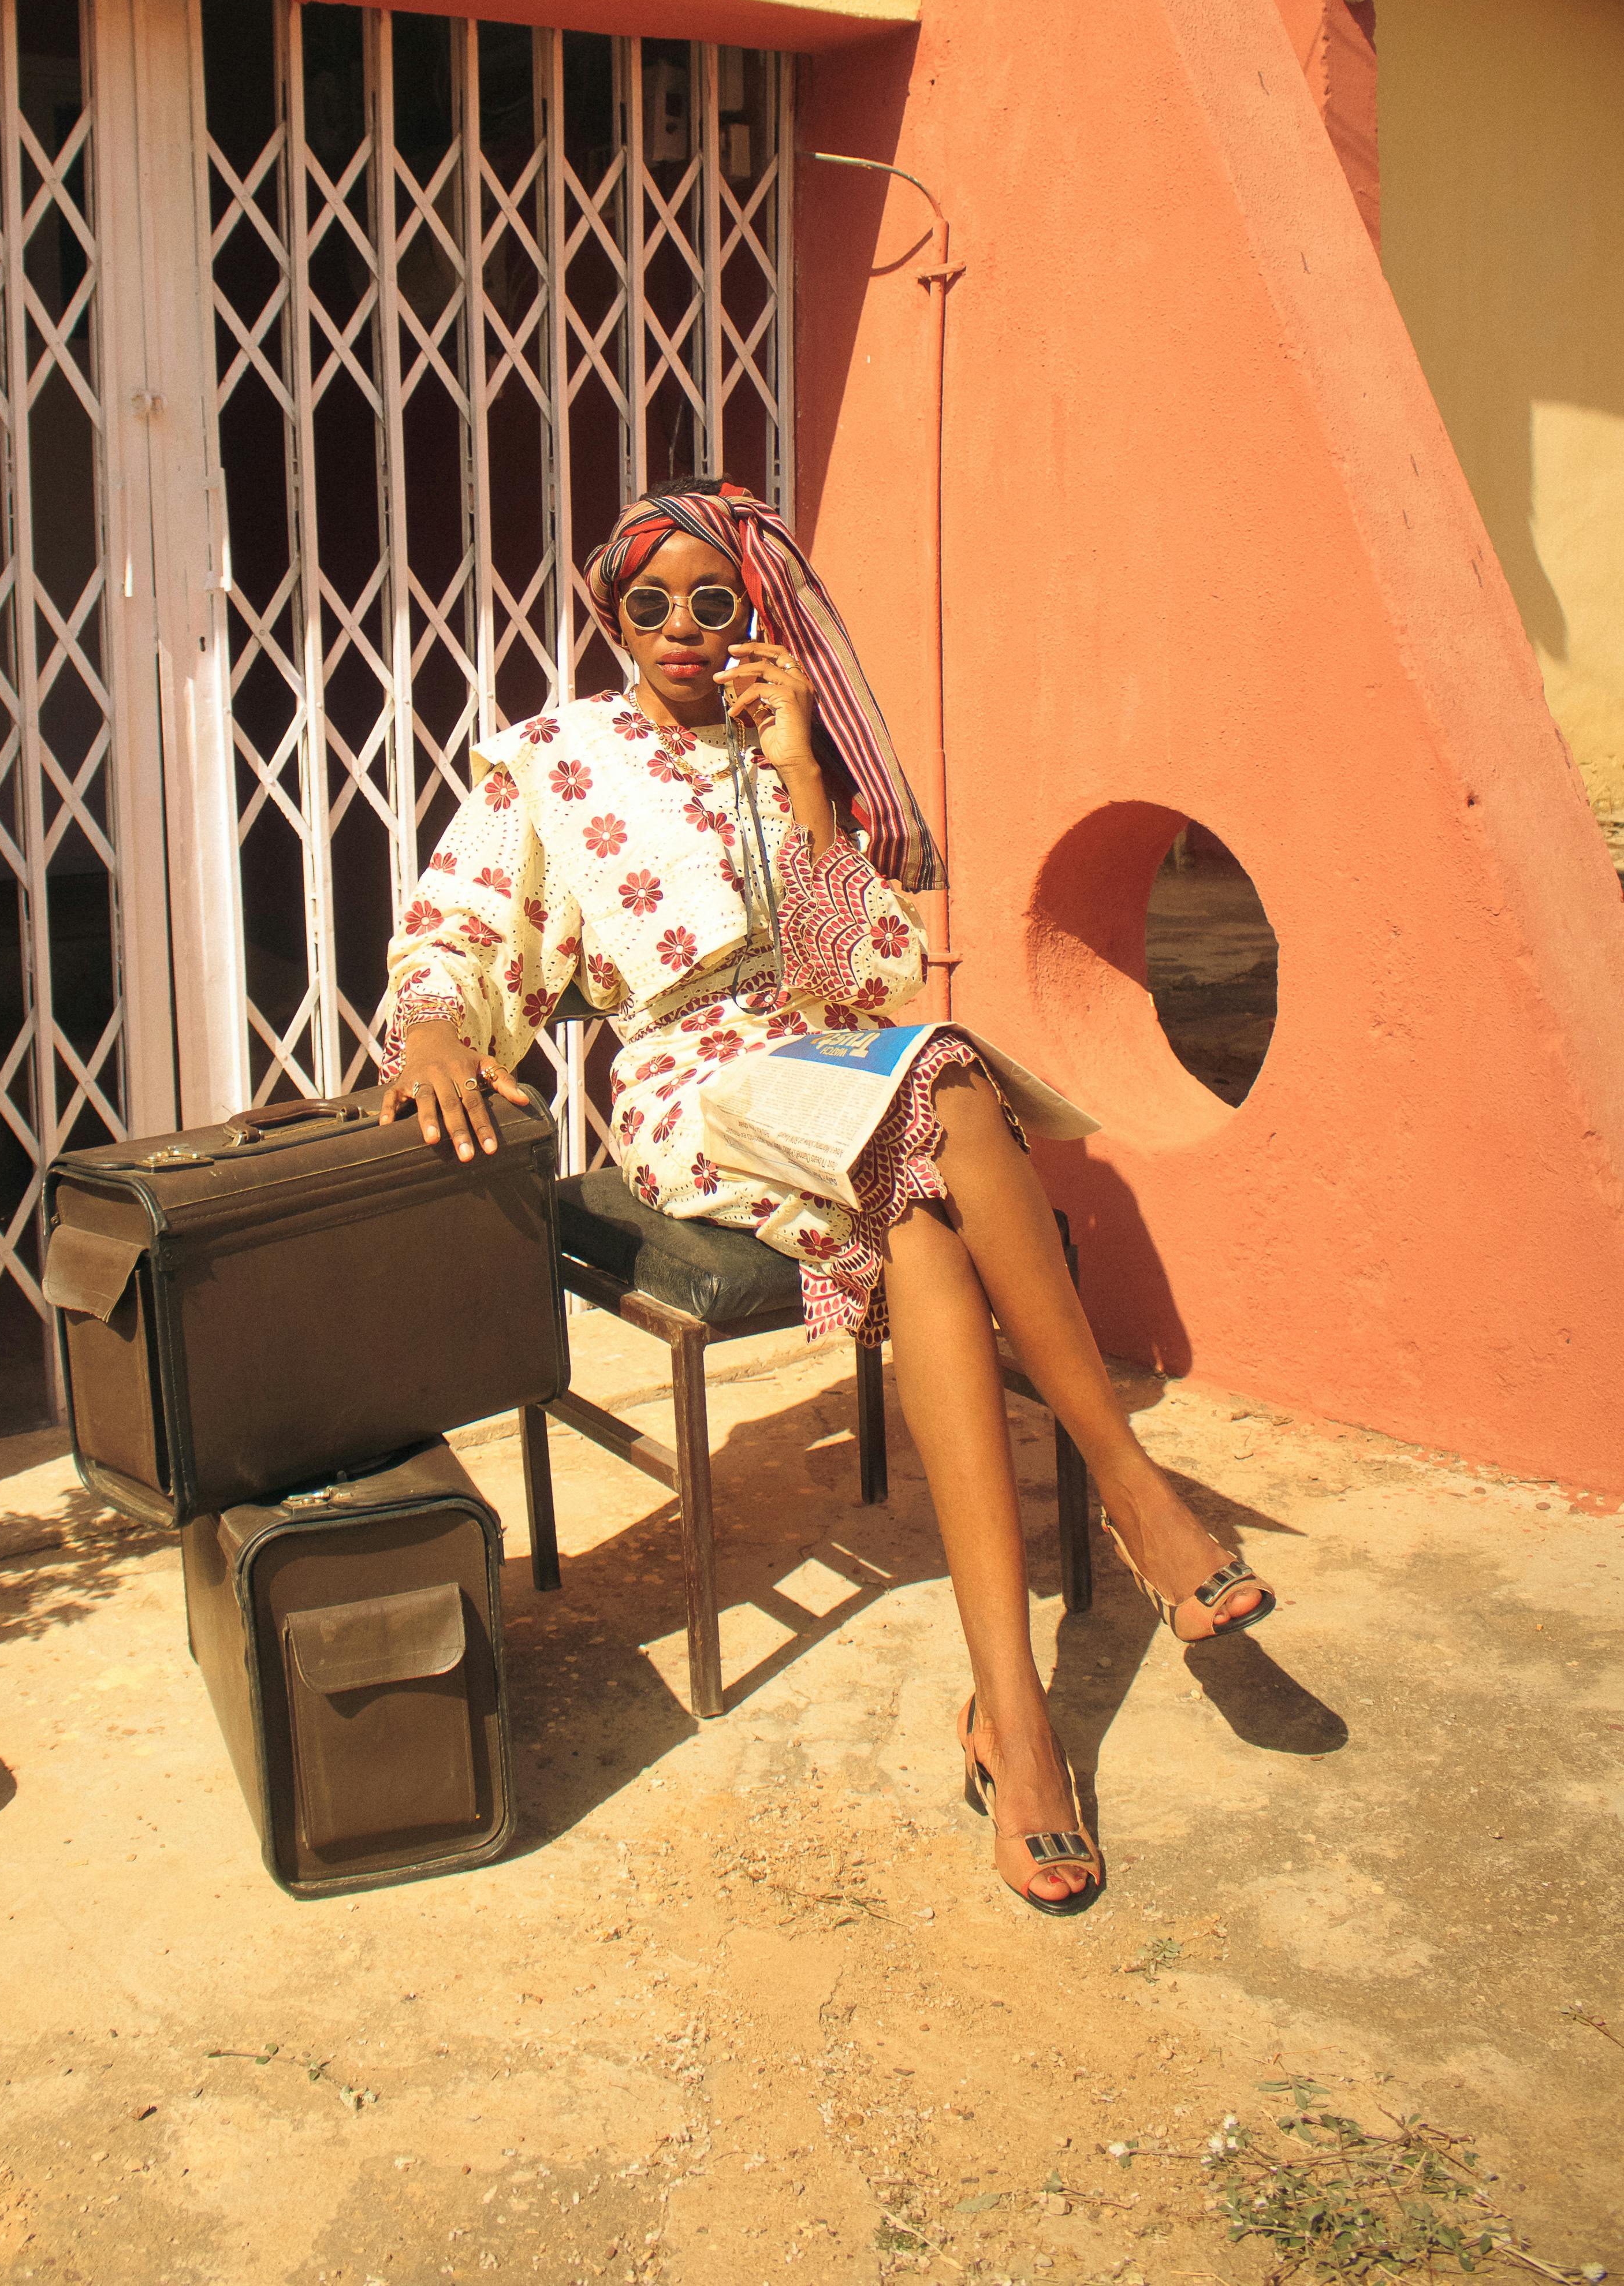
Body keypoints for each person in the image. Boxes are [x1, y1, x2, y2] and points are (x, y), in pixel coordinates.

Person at [378, 478, 1273, 1915]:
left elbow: (864, 977)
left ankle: (1015, 1725)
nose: (680, 629)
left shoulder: (783, 752)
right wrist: (430, 1028)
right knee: (951, 1087)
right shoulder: (555, 758)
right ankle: (1132, 1488)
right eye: (648, 601)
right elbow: (460, 925)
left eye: (712, 601)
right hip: (691, 1084)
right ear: (609, 614)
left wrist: (799, 774)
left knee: (917, 1206)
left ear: (755, 616)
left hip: (831, 1055)